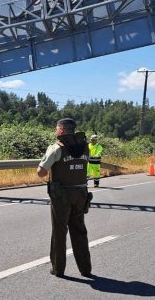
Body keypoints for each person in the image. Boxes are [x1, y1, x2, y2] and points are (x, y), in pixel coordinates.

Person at [38, 118, 92, 278]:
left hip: (61, 196)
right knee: (79, 231)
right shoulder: (86, 148)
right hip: (81, 195)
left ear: (61, 130)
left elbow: (41, 172)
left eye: (56, 129)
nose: (56, 131)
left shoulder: (56, 148)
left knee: (59, 232)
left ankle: (58, 268)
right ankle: (85, 269)